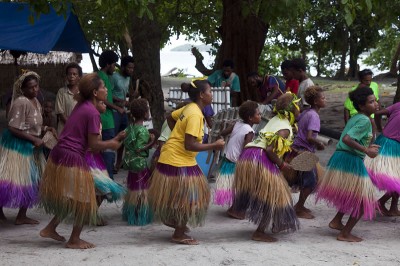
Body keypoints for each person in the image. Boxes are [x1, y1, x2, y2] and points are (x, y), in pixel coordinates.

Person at [39, 73, 125, 249]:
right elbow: (93, 145)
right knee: (85, 199)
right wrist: (112, 143)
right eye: (103, 88)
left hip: (60, 153)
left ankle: (50, 228)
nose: (106, 90)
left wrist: (112, 140)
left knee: (74, 197)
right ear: (95, 92)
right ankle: (74, 239)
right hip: (71, 156)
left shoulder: (82, 105)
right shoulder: (92, 112)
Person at [148, 79, 225, 245]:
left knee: (184, 196)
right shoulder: (195, 114)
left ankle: (174, 223)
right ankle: (179, 233)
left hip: (170, 156)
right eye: (210, 91)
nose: (212, 94)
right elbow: (189, 145)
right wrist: (215, 145)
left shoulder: (190, 108)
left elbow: (171, 117)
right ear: (202, 95)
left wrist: (177, 132)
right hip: (178, 161)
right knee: (191, 198)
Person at [230, 93, 301, 242]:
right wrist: (282, 164)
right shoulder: (286, 128)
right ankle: (260, 231)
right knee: (274, 195)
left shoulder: (275, 119)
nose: (300, 109)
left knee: (276, 192)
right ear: (292, 110)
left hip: (249, 155)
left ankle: (277, 223)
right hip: (260, 157)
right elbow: (269, 149)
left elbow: (273, 142)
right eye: (298, 106)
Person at [316, 86, 380, 242]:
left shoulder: (358, 117)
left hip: (342, 158)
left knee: (353, 194)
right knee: (365, 201)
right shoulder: (364, 120)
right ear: (362, 106)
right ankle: (345, 233)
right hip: (350, 159)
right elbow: (347, 139)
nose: (376, 104)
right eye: (371, 102)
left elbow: (361, 137)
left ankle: (337, 221)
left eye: (375, 100)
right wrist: (366, 150)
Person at [0, 71, 56, 224]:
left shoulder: (36, 101)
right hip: (18, 146)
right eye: (31, 88)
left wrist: (45, 128)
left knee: (33, 180)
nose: (35, 90)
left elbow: (33, 123)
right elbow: (13, 127)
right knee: (11, 180)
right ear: (22, 89)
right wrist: (33, 139)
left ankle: (21, 216)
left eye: (36, 86)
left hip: (32, 145)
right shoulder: (21, 101)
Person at [214, 101, 261, 211]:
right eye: (258, 114)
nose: (260, 116)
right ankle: (236, 210)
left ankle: (235, 208)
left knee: (234, 186)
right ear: (250, 118)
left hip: (227, 160)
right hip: (237, 163)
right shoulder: (250, 131)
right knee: (243, 187)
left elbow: (223, 133)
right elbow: (246, 151)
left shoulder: (237, 124)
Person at [85, 100, 127, 225]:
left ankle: (91, 213)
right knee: (103, 187)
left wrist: (117, 138)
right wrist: (112, 143)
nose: (105, 106)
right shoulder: (93, 119)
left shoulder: (98, 120)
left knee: (103, 188)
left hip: (96, 158)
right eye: (102, 103)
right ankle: (89, 214)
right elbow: (93, 145)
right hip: (89, 158)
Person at [288, 86, 327, 219]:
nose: (325, 99)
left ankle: (300, 205)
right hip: (304, 152)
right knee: (311, 182)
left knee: (306, 180)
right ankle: (298, 207)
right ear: (316, 102)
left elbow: (297, 118)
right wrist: (319, 144)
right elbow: (310, 137)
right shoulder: (314, 116)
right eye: (323, 98)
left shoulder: (306, 112)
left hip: (297, 149)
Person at [122, 98, 155, 226]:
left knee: (133, 189)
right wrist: (151, 142)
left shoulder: (130, 128)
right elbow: (139, 149)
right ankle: (140, 216)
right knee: (142, 190)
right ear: (145, 113)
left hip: (130, 163)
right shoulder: (143, 130)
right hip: (140, 164)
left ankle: (132, 214)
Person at [364, 102, 400, 216]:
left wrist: (380, 128)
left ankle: (393, 207)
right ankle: (380, 202)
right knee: (396, 180)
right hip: (392, 147)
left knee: (396, 177)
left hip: (383, 140)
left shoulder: (398, 104)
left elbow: (378, 113)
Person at [98, 50, 124, 179]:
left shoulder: (106, 77)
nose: (114, 68)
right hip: (105, 120)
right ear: (108, 64)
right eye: (114, 65)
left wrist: (119, 101)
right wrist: (117, 108)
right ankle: (108, 181)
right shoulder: (100, 77)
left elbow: (107, 95)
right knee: (108, 153)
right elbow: (102, 98)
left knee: (108, 152)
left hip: (109, 119)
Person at [112, 56, 134, 173]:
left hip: (124, 112)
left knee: (123, 137)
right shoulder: (115, 77)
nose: (131, 70)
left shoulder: (128, 78)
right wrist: (121, 101)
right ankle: (110, 162)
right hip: (115, 111)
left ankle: (118, 162)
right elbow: (108, 94)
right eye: (129, 67)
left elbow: (124, 93)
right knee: (114, 136)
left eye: (133, 68)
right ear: (123, 67)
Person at [343, 69, 381, 133]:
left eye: (370, 80)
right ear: (360, 80)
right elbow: (346, 109)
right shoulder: (355, 91)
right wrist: (347, 126)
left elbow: (377, 99)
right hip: (358, 116)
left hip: (371, 115)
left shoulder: (374, 85)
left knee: (371, 134)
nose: (368, 83)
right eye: (366, 81)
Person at [55, 62, 82, 134]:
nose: (71, 76)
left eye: (74, 74)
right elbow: (60, 113)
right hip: (64, 130)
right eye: (69, 74)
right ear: (66, 76)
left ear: (79, 77)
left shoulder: (83, 93)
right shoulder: (61, 92)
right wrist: (72, 126)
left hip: (80, 129)